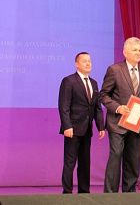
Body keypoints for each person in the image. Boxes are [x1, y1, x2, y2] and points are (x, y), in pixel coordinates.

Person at [100, 37, 140, 193]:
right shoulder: (114, 70)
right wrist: (118, 108)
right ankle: (110, 195)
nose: (138, 53)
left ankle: (129, 195)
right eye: (134, 50)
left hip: (136, 123)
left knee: (132, 160)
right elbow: (103, 95)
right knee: (116, 156)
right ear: (125, 52)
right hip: (117, 123)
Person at [58, 52, 105, 194]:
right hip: (72, 129)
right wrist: (67, 126)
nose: (88, 63)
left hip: (87, 130)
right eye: (84, 61)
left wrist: (101, 126)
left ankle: (84, 192)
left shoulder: (94, 83)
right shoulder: (69, 81)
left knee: (85, 163)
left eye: (89, 61)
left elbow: (97, 107)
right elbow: (64, 106)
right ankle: (67, 192)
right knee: (70, 162)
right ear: (77, 64)